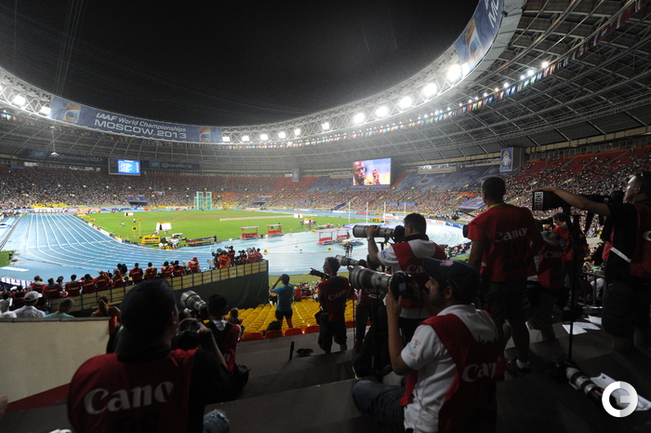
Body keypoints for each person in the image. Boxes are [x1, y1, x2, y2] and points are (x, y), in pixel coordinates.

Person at [352, 258, 502, 433]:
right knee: (406, 380)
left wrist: (392, 316)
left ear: (447, 292)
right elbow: (453, 321)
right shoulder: (486, 319)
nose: (427, 285)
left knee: (362, 389)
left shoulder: (434, 329)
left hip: (431, 424)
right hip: (469, 413)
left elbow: (398, 366)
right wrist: (423, 296)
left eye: (432, 282)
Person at [67, 279, 231, 433]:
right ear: (172, 319)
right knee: (218, 417)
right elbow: (226, 387)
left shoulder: (87, 375)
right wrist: (207, 339)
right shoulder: (194, 364)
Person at [535, 171, 651, 351]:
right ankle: (641, 363)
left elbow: (584, 204)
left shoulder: (633, 210)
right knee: (640, 324)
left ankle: (623, 365)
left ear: (638, 188)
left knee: (621, 333)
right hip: (643, 279)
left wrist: (555, 190)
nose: (625, 189)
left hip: (624, 279)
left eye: (628, 185)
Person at [467, 176, 543, 375]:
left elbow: (475, 258)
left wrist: (469, 284)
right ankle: (523, 363)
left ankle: (496, 367)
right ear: (504, 192)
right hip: (519, 277)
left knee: (495, 325)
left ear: (484, 195)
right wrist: (524, 258)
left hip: (493, 281)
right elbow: (538, 241)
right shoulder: (523, 213)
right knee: (517, 321)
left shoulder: (481, 221)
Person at [366, 212, 447, 341]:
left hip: (398, 307)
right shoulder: (439, 250)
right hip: (426, 309)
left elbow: (374, 258)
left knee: (374, 340)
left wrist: (370, 237)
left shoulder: (400, 249)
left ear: (409, 228)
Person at [316, 257, 352, 353]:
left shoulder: (324, 285)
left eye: (325, 265)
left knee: (326, 346)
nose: (323, 267)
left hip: (327, 318)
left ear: (330, 268)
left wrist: (323, 283)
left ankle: (327, 362)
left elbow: (320, 299)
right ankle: (345, 358)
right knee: (342, 341)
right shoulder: (344, 280)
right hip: (340, 315)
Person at [207, 294, 241, 374]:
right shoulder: (236, 328)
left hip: (211, 371)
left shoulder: (204, 330)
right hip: (229, 369)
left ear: (208, 310)